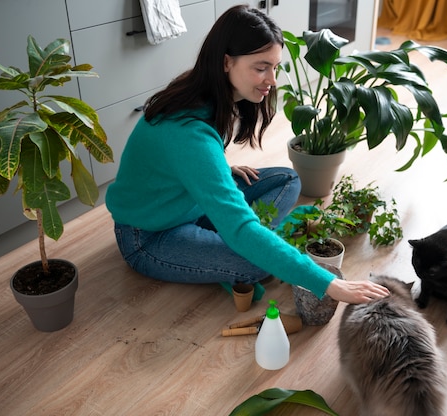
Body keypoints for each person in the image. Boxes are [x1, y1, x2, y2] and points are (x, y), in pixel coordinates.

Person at [105, 5, 389, 304]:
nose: (272, 80)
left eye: (275, 67)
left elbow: (186, 161)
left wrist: (219, 170)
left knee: (287, 179)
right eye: (261, 67)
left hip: (188, 203)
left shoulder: (210, 92)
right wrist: (328, 282)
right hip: (149, 235)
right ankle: (254, 245)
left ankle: (251, 242)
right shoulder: (188, 132)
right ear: (227, 62)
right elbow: (193, 152)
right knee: (254, 262)